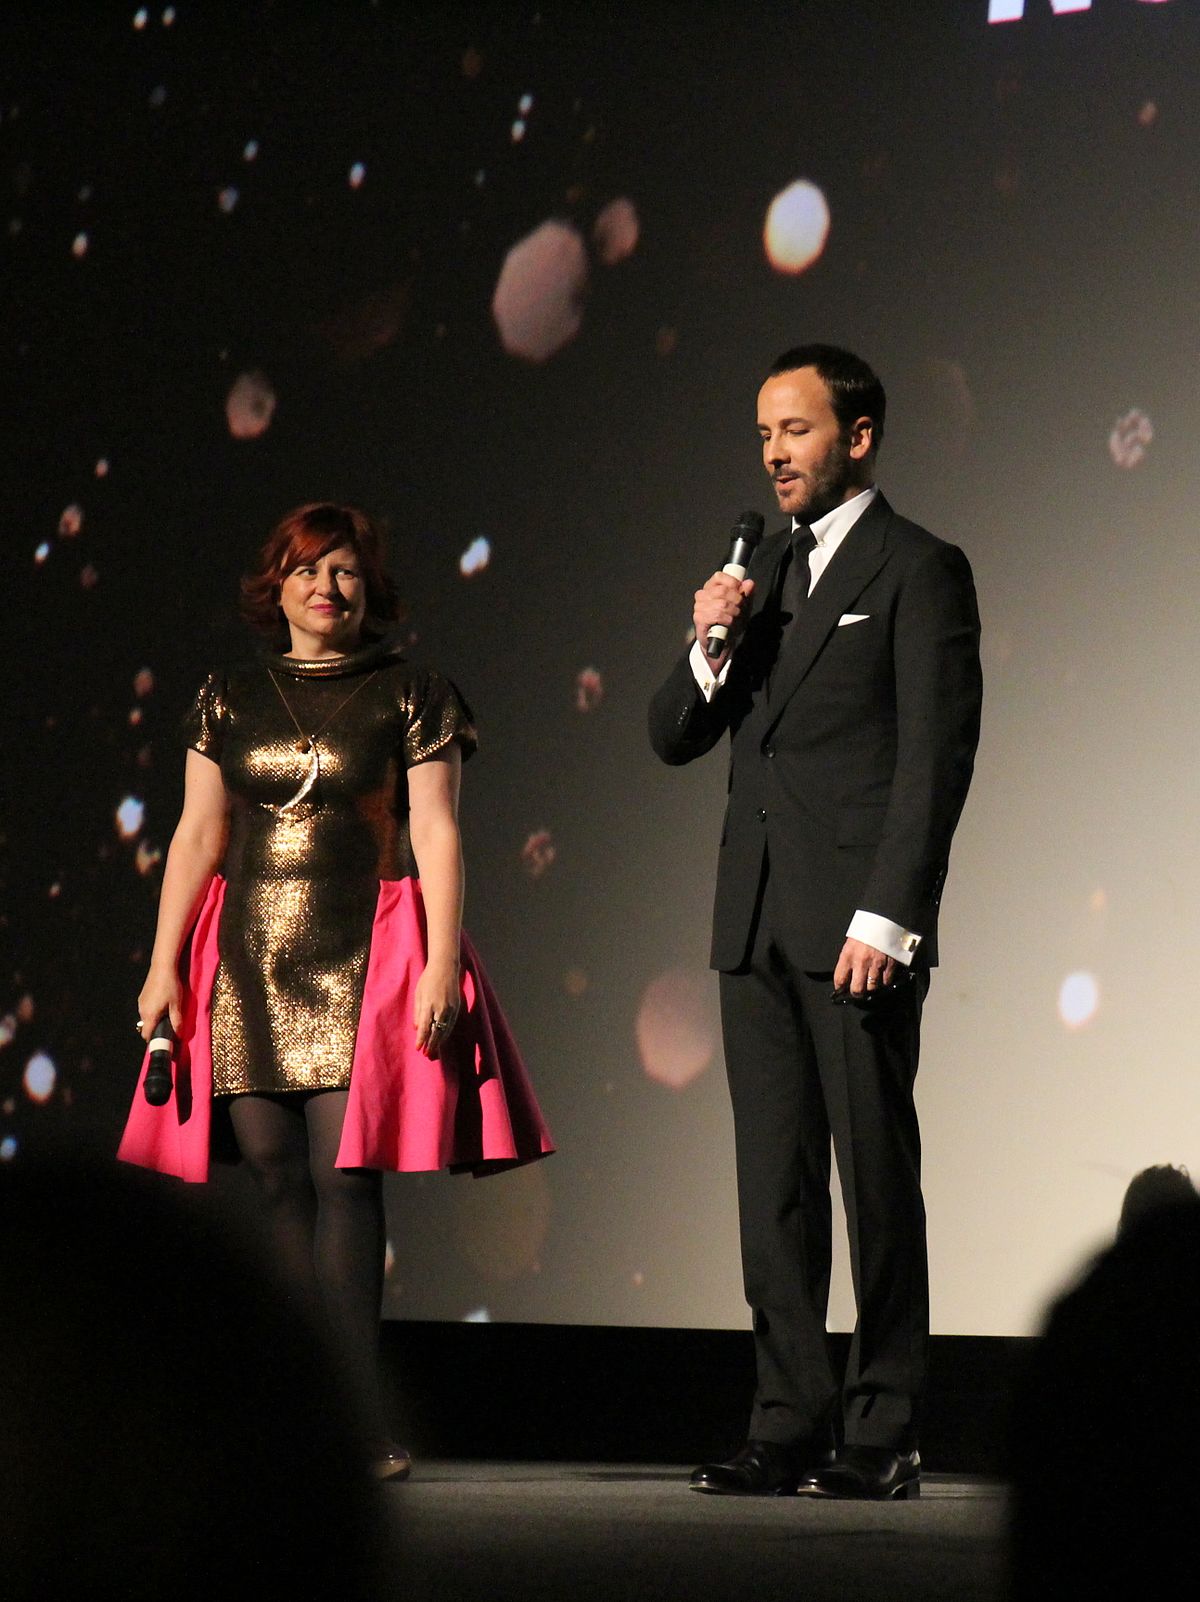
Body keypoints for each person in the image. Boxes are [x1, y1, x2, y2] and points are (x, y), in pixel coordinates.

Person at [119, 501, 554, 1480]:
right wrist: (160, 967)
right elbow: (195, 834)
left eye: (346, 572)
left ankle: (359, 1422)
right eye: (308, 570)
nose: (327, 588)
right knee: (274, 1182)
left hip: (364, 955)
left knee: (343, 1179)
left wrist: (444, 960)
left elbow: (437, 831)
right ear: (276, 586)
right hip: (248, 958)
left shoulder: (413, 692)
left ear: (372, 589)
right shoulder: (226, 695)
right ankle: (294, 1420)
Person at [649, 345, 982, 1499]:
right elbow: (672, 735)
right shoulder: (764, 580)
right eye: (762, 436)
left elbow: (934, 763)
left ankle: (884, 1428)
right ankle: (786, 1419)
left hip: (856, 931)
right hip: (752, 928)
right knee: (773, 1188)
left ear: (859, 434)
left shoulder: (919, 569)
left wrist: (891, 917)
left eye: (794, 430)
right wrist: (709, 642)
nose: (775, 453)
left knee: (874, 1178)